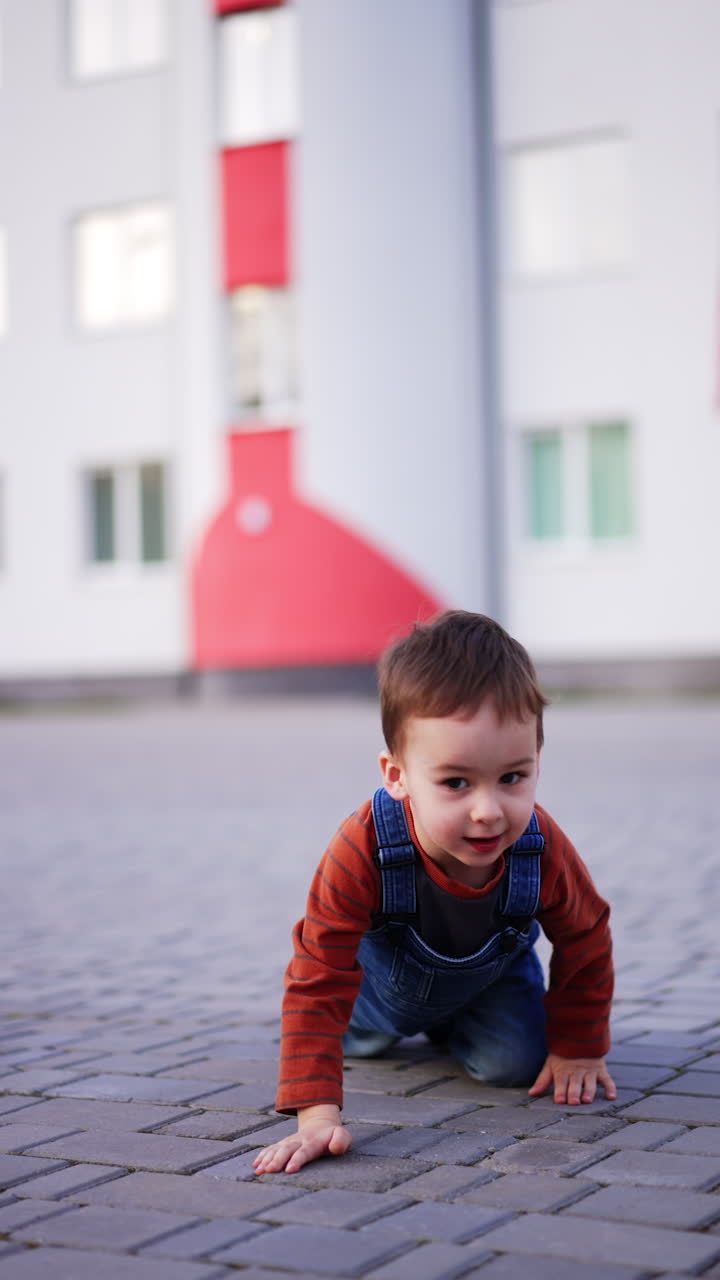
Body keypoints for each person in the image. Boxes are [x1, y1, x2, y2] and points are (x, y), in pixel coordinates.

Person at [254, 610, 615, 1176]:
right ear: (397, 775)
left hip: (488, 983)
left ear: (536, 762)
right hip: (378, 992)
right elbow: (319, 971)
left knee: (516, 1068)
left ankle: (457, 1024)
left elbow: (586, 935)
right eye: (455, 783)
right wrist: (316, 1115)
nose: (487, 811)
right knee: (347, 1035)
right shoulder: (363, 846)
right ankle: (366, 1028)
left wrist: (578, 1046)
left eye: (512, 777)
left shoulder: (540, 846)